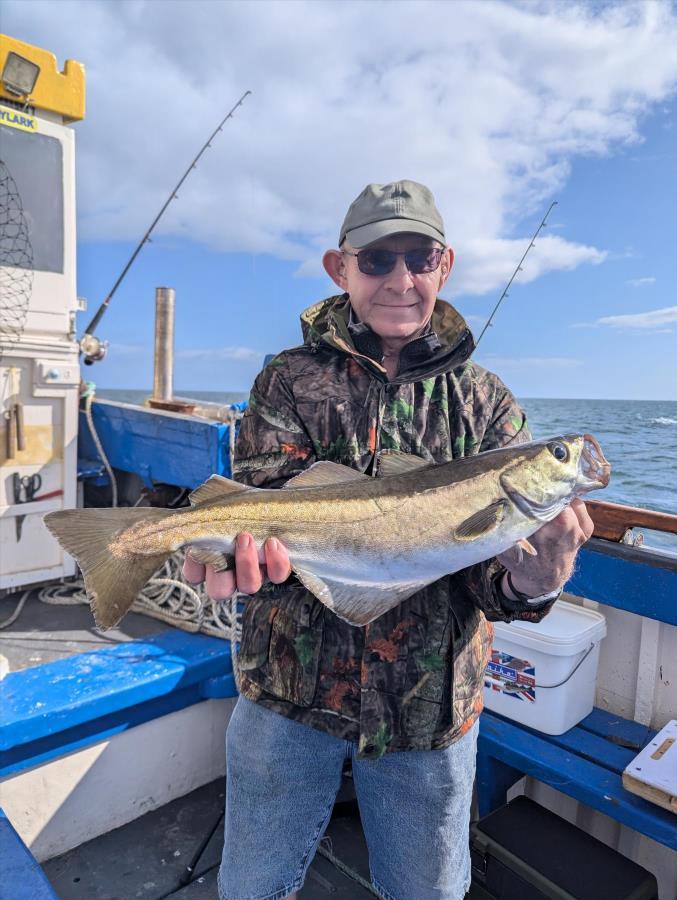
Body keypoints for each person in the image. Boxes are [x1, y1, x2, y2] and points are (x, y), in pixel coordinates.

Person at [183, 180, 594, 900]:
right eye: (375, 260)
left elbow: (486, 584)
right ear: (337, 268)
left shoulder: (485, 403)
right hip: (287, 694)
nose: (400, 279)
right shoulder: (286, 380)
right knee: (251, 888)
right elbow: (270, 513)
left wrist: (538, 581)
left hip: (427, 710)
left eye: (418, 257)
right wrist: (231, 557)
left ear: (445, 265)